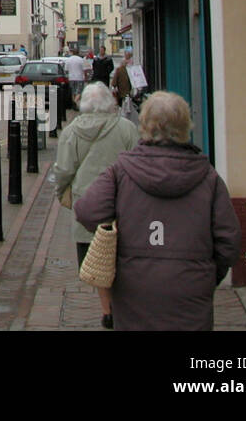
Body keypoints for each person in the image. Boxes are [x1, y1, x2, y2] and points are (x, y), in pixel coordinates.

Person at [75, 91, 241, 331]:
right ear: (185, 126)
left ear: (144, 125)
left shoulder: (121, 171)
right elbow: (229, 242)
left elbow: (87, 212)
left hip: (133, 288)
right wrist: (207, 275)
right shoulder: (208, 178)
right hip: (191, 288)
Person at [49, 82, 140, 328]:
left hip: (86, 207)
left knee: (97, 259)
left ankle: (107, 310)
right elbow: (139, 164)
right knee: (122, 256)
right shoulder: (127, 129)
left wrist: (62, 194)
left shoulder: (70, 132)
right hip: (123, 205)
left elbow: (64, 170)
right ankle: (123, 306)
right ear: (109, 103)